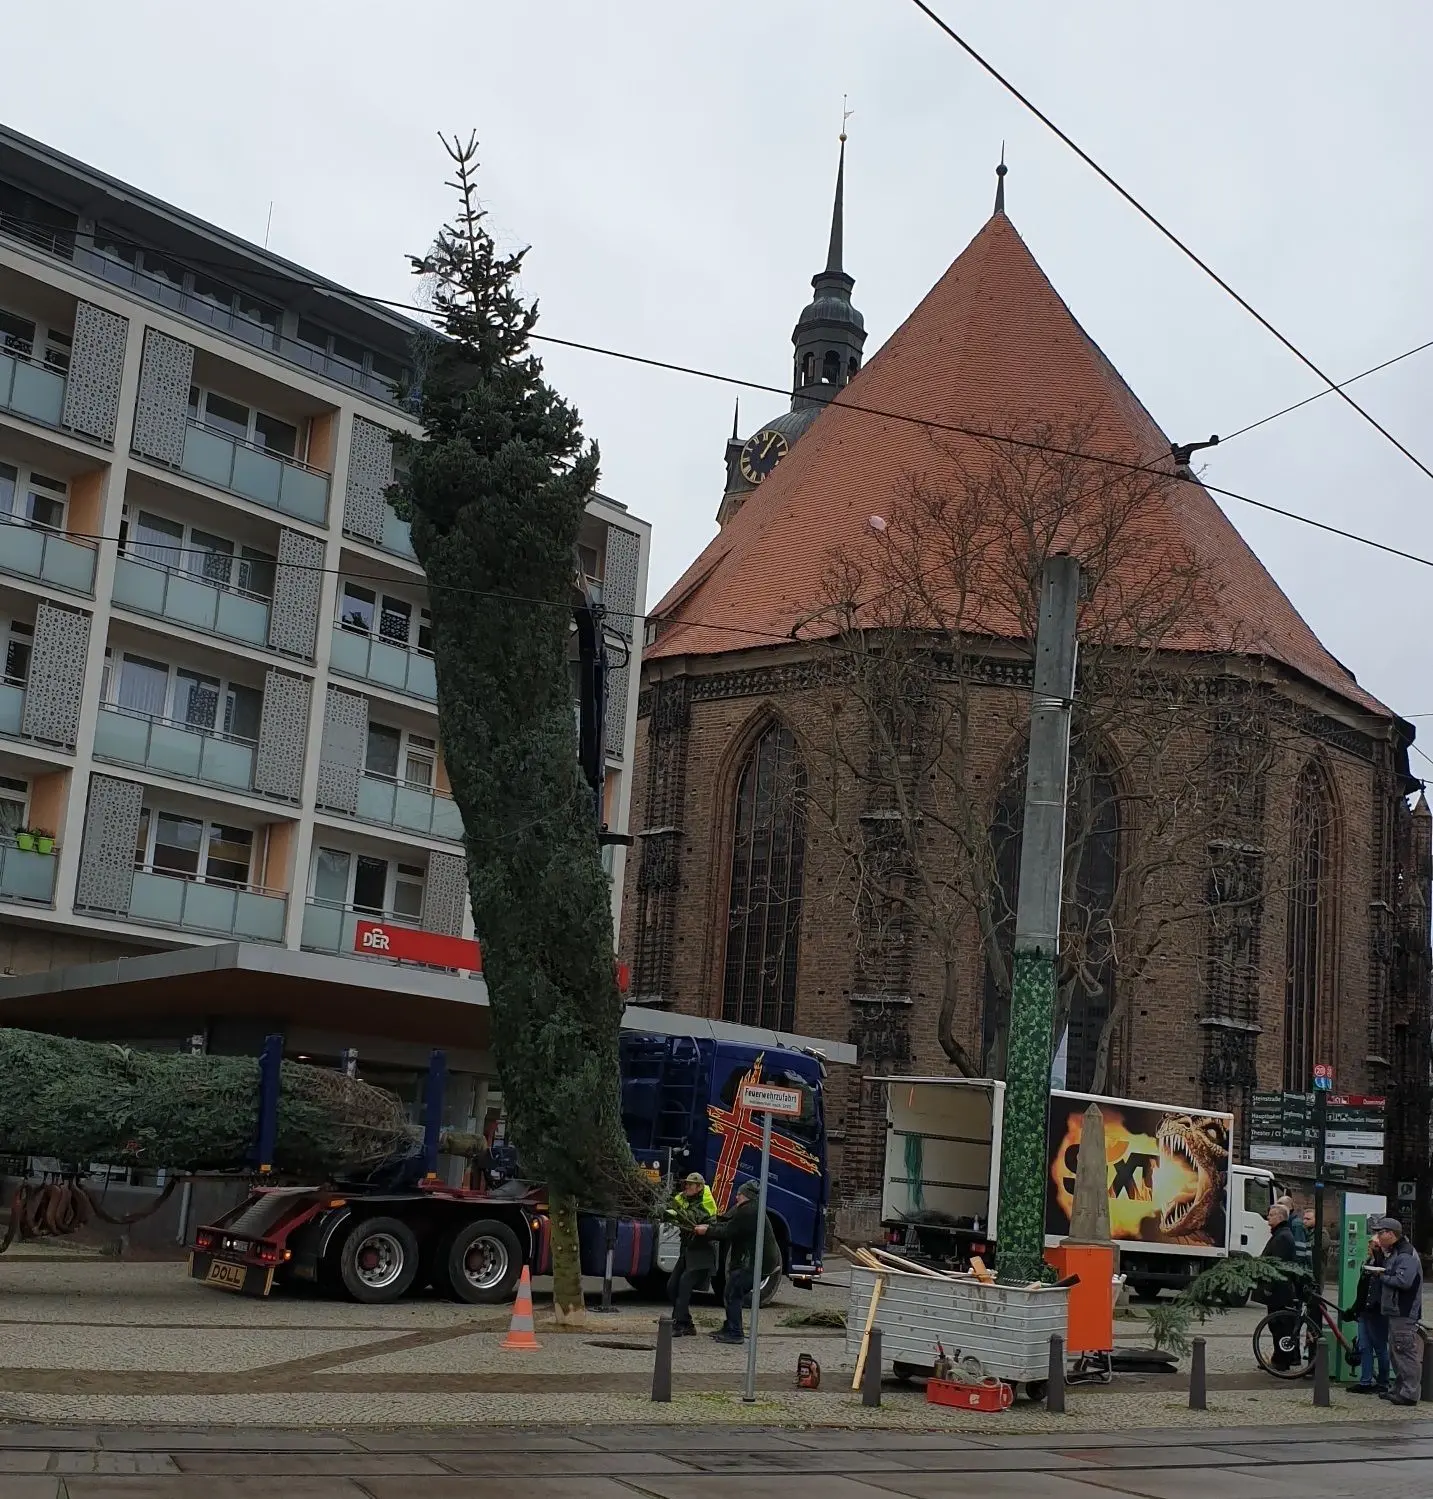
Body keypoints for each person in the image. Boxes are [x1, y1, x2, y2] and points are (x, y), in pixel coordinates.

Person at [693, 1177, 781, 1344]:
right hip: (755, 1261)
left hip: (756, 1263)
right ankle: (729, 1326)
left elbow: (728, 1230)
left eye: (739, 1194)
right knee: (729, 1290)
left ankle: (735, 1333)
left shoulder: (748, 1212)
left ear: (747, 1195)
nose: (736, 1197)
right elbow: (728, 1224)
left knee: (734, 1293)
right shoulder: (750, 1208)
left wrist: (707, 1230)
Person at [1374, 1216, 1423, 1406]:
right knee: (1397, 1351)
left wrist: (1382, 1275)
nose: (1378, 1237)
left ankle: (1410, 1393)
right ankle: (1400, 1388)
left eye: (1380, 1233)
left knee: (1405, 1352)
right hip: (1396, 1310)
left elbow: (1403, 1282)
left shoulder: (1406, 1254)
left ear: (1391, 1234)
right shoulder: (1397, 1252)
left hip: (1404, 1311)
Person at [666, 1172, 717, 1337]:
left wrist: (672, 1211)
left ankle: (680, 1324)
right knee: (672, 1287)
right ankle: (687, 1323)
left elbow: (690, 1217)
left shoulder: (706, 1203)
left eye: (690, 1184)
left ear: (699, 1187)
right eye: (686, 1184)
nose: (686, 1187)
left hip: (701, 1254)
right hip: (688, 1251)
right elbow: (672, 1208)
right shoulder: (684, 1198)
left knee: (683, 1287)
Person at [1341, 1235, 1390, 1394]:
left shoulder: (1384, 1264)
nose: (1370, 1249)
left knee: (1380, 1347)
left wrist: (1379, 1256)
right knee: (1364, 1347)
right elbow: (1362, 1291)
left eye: (1374, 1246)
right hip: (1364, 1311)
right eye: (1370, 1246)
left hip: (1377, 1311)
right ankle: (1365, 1381)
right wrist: (1355, 1309)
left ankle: (1383, 1382)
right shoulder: (1367, 1263)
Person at [1260, 1203, 1302, 1372]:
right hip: (1279, 1290)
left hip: (1281, 1291)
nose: (1268, 1218)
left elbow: (1276, 1265)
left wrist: (1269, 1287)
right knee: (1276, 1325)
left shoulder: (1283, 1237)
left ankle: (1281, 1360)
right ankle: (1279, 1358)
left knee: (1280, 1325)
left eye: (1270, 1215)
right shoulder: (1280, 1234)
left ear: (1279, 1217)